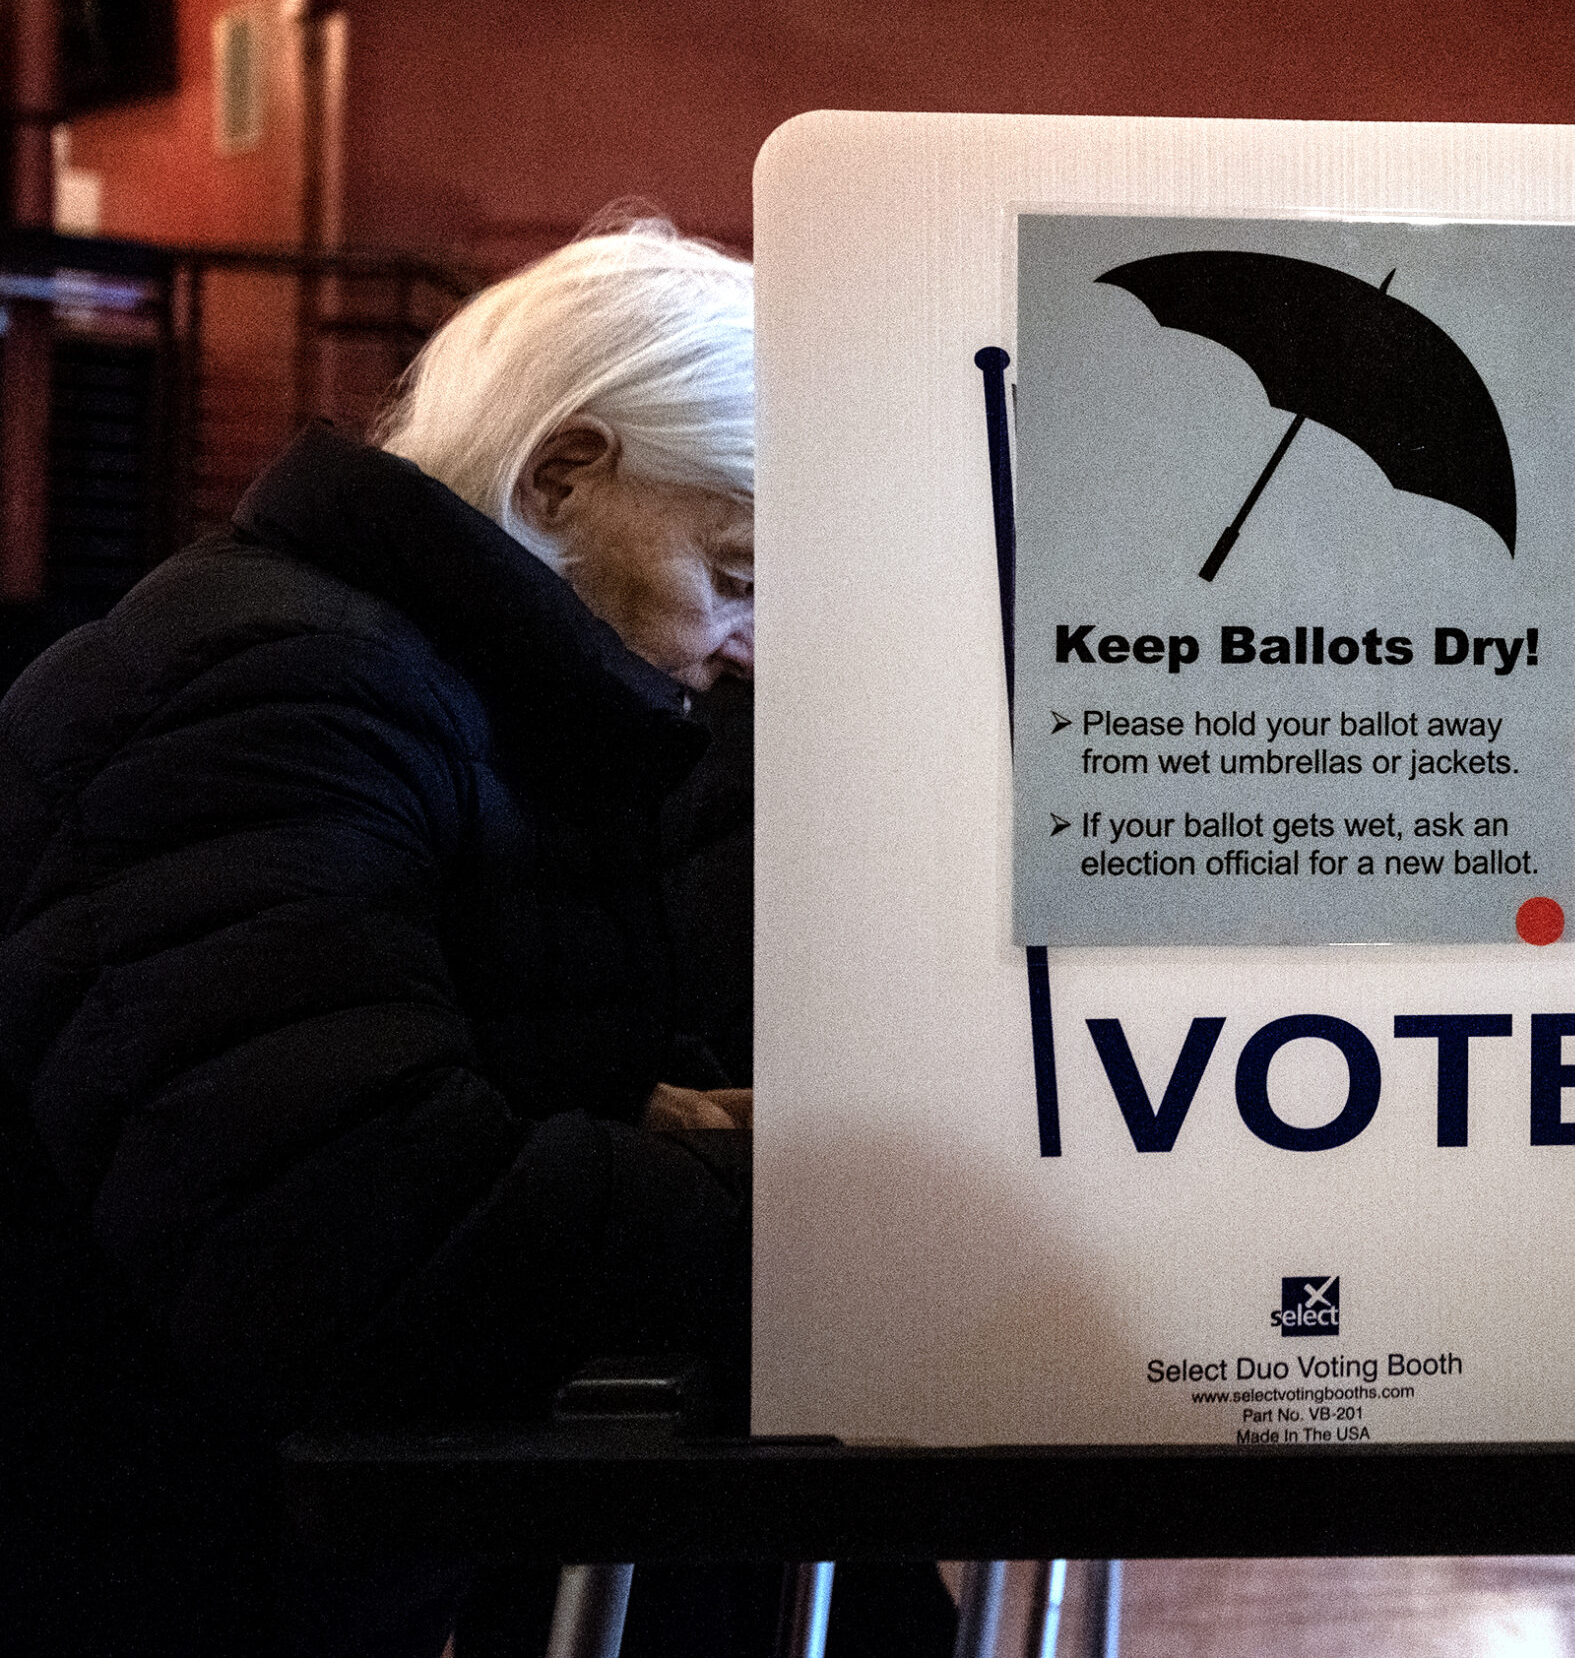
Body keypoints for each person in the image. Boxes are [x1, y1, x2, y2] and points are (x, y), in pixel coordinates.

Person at [0, 219, 950, 1656]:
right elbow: (346, 1233)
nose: (747, 641)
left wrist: (593, 1106)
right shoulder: (281, 687)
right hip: (148, 1544)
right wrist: (850, 1213)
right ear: (562, 473)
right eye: (737, 568)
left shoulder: (420, 678)